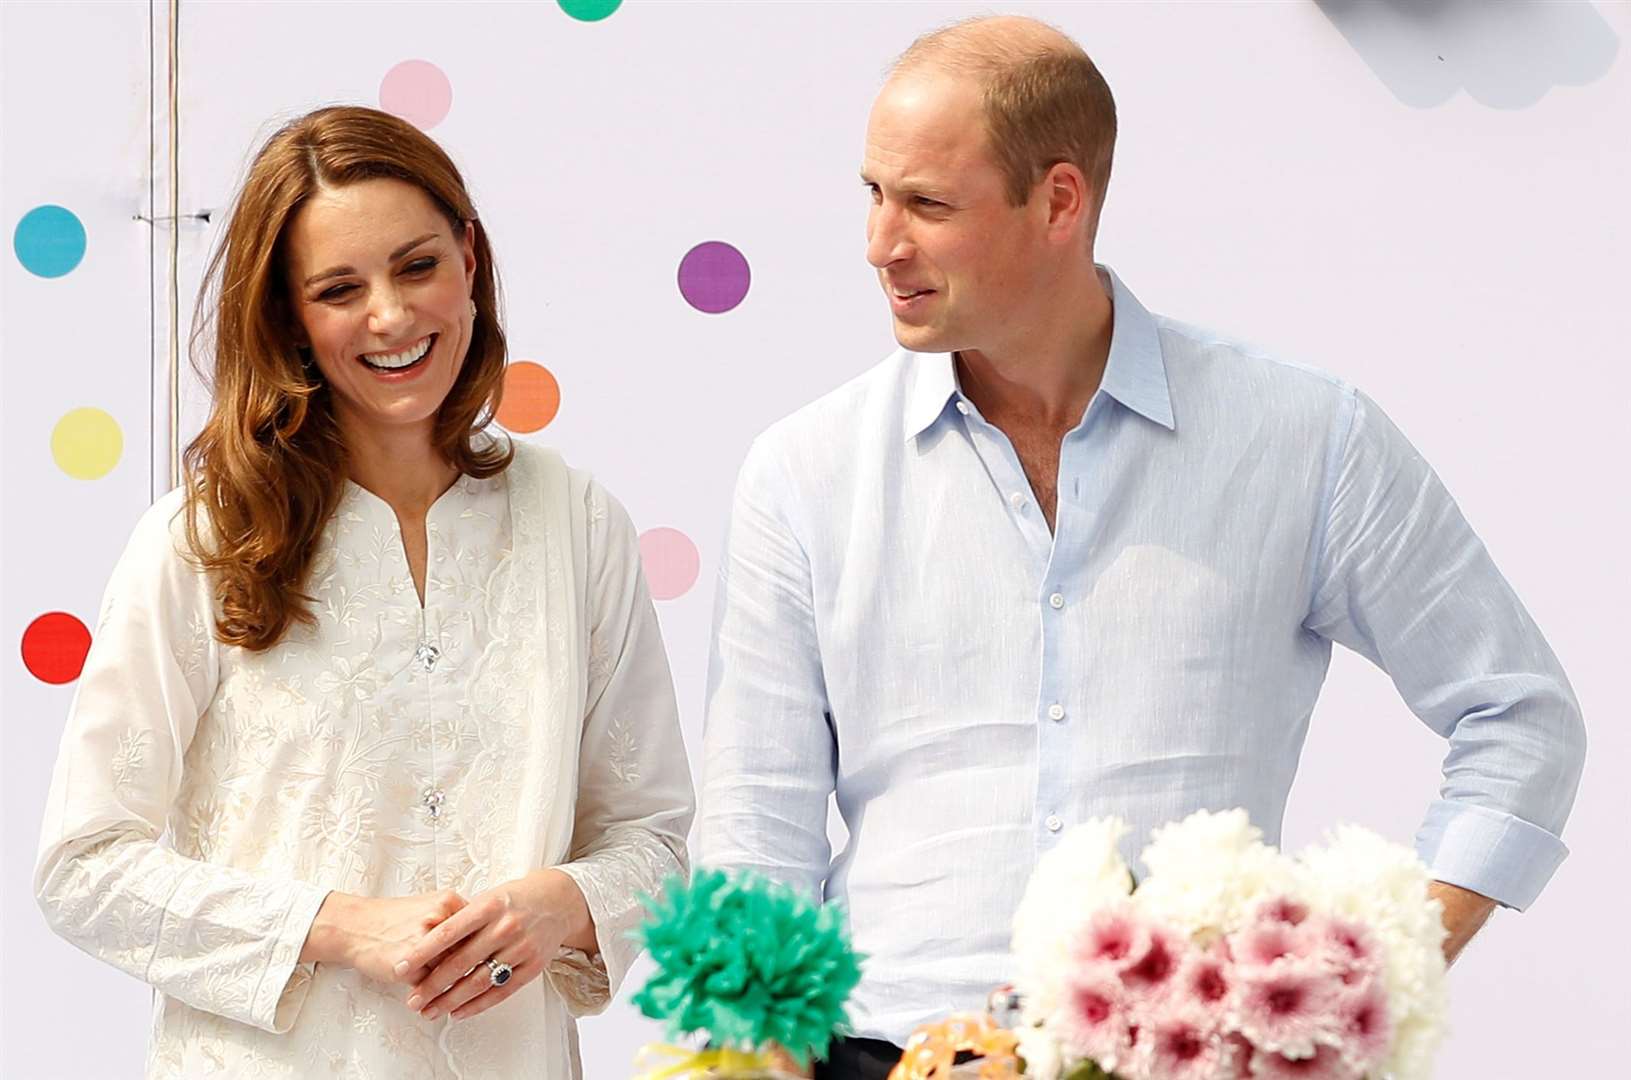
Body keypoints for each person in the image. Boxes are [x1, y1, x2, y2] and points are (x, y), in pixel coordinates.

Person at [697, 16, 1585, 1079]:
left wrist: (1374, 977)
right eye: (873, 193)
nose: (881, 243)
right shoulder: (803, 472)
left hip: (1187, 1059)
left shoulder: (1301, 439)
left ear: (1058, 201)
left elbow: (1518, 717)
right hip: (878, 1055)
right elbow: (755, 838)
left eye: (927, 203)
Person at [34, 105, 694, 1079]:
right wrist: (335, 928)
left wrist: (558, 904)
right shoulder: (201, 540)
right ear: (289, 317)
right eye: (339, 289)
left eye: (416, 265)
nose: (389, 315)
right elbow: (81, 871)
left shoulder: (576, 522)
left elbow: (654, 841)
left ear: (468, 256)